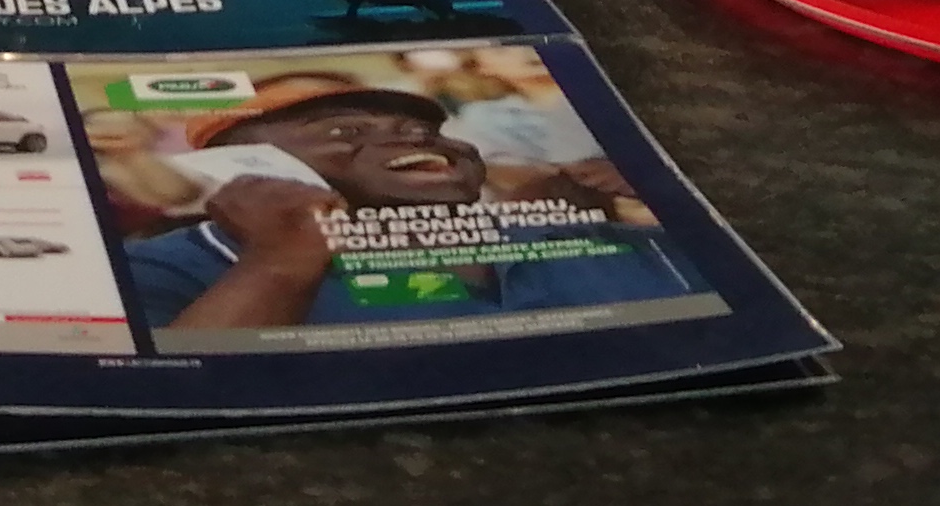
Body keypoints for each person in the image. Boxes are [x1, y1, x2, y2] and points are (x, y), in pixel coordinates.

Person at [120, 85, 703, 334]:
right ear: (245, 163)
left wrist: (686, 210)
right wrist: (277, 263)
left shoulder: (598, 235)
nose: (414, 138)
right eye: (346, 131)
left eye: (426, 129)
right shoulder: (162, 269)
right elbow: (170, 405)